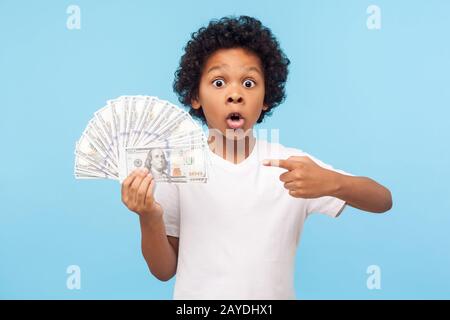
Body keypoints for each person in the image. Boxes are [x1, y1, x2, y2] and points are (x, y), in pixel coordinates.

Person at [120, 16, 393, 299]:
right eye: (218, 82)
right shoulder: (178, 167)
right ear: (195, 96)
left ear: (266, 98)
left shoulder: (292, 166)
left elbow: (383, 200)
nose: (235, 94)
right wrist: (148, 216)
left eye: (249, 83)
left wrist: (332, 183)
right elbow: (163, 270)